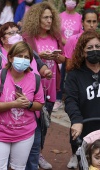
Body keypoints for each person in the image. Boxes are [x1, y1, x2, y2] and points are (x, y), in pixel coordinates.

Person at [0, 41, 44, 169]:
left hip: (25, 133)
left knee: (19, 167)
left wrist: (28, 104)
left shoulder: (35, 78)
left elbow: (39, 104)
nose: (23, 60)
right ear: (10, 58)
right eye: (19, 56)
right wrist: (13, 104)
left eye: (26, 57)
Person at [22, 1, 65, 169]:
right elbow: (22, 58)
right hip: (32, 86)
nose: (49, 20)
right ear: (36, 18)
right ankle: (25, 154)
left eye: (50, 17)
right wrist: (39, 55)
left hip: (51, 84)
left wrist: (56, 57)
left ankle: (38, 153)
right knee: (30, 122)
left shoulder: (55, 36)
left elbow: (64, 59)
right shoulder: (28, 37)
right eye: (45, 17)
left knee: (45, 123)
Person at [65, 30, 100, 169]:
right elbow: (70, 100)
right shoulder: (74, 75)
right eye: (90, 48)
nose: (95, 51)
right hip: (85, 130)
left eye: (98, 47)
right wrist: (76, 120)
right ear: (82, 51)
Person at [53, 0, 82, 112]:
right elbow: (56, 32)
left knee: (73, 75)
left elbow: (80, 33)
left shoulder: (79, 17)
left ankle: (73, 99)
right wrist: (65, 42)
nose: (71, 1)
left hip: (74, 51)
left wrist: (71, 43)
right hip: (61, 49)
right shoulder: (59, 17)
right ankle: (58, 98)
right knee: (60, 74)